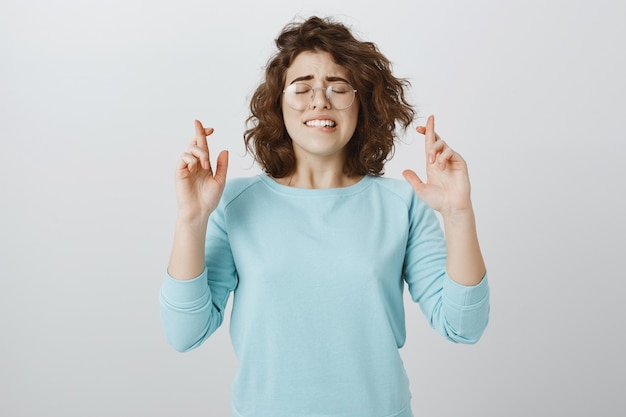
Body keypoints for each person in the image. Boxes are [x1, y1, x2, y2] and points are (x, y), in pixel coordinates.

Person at [160, 15, 490, 417]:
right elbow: (184, 334)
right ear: (278, 105)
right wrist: (191, 219)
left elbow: (463, 326)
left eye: (338, 87)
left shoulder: (401, 203)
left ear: (362, 104)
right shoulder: (234, 204)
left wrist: (458, 214)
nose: (320, 100)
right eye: (302, 88)